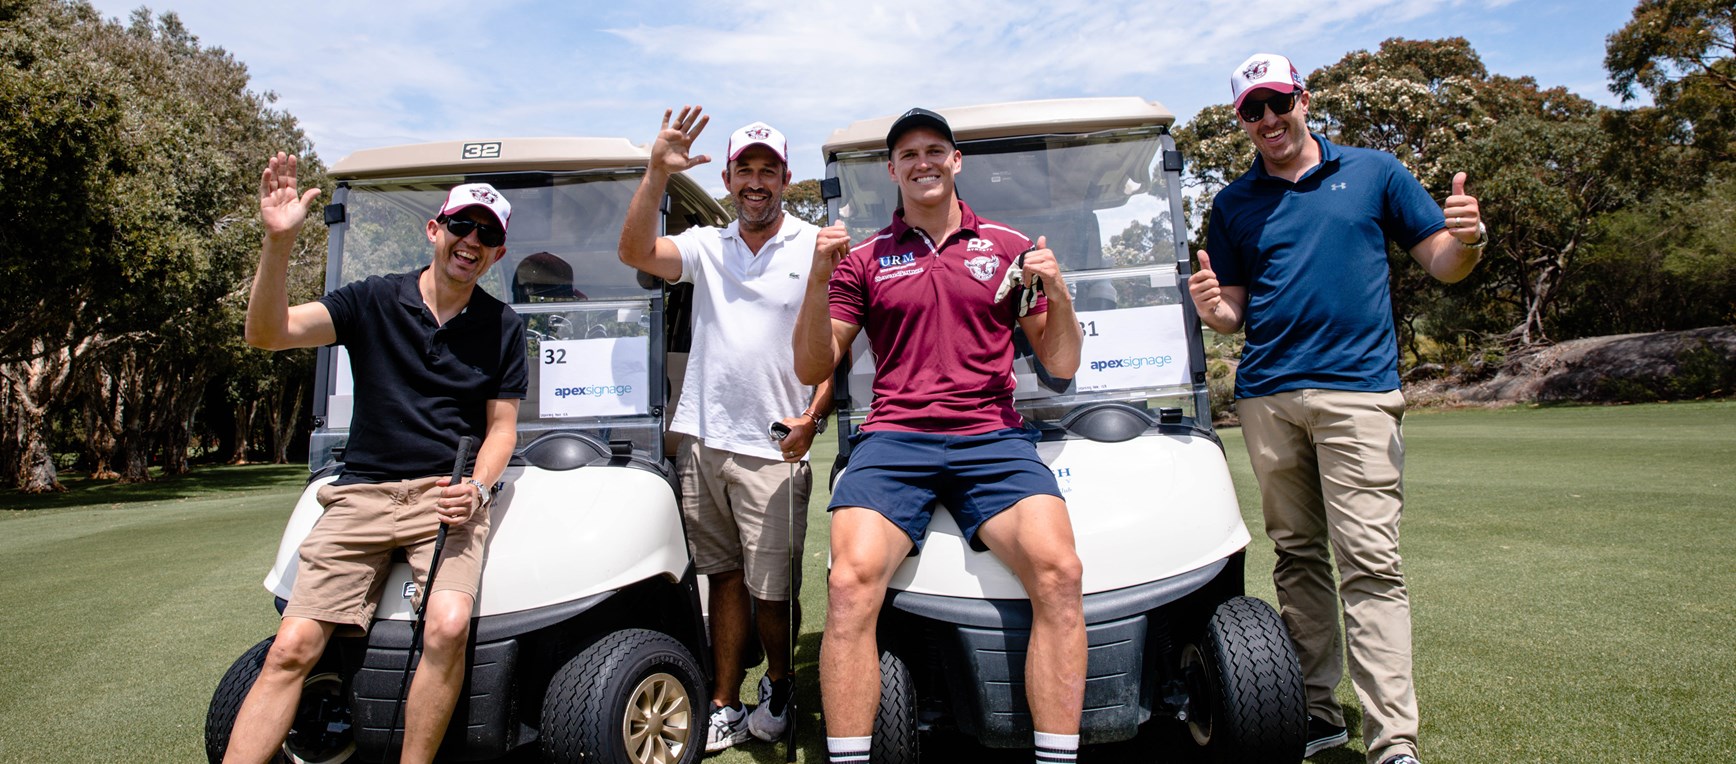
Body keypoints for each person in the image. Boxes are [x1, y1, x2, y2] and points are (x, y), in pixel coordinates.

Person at [1189, 53, 1487, 764]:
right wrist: (1212, 307)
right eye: (1252, 110)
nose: (1268, 119)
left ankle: (1393, 741)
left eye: (1277, 102)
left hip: (1357, 393)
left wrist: (1470, 239)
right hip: (1268, 397)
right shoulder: (1233, 203)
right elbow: (1233, 312)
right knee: (1296, 558)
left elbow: (1444, 262)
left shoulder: (1375, 171)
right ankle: (1317, 713)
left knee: (1370, 563)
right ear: (1242, 120)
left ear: (1303, 98)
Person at [793, 108, 1088, 764]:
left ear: (956, 160)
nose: (922, 161)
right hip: (895, 438)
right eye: (908, 154)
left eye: (934, 149)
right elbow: (813, 366)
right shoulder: (864, 259)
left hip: (992, 438)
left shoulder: (1009, 250)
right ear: (891, 170)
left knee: (1060, 571)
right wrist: (816, 283)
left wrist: (1059, 294)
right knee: (848, 583)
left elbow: (1061, 363)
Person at [224, 153, 525, 764]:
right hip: (360, 493)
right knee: (292, 646)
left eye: (487, 235)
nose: (471, 241)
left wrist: (477, 489)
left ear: (496, 255)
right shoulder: (371, 300)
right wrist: (278, 243)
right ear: (435, 230)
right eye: (462, 225)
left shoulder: (503, 326)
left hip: (445, 497)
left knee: (447, 624)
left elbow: (501, 430)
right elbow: (267, 333)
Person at [618, 106, 830, 752]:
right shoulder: (708, 244)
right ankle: (724, 700)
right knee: (724, 579)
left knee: (773, 592)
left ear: (786, 178)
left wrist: (812, 417)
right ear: (730, 180)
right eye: (745, 170)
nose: (756, 182)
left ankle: (780, 687)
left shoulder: (815, 244)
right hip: (705, 441)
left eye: (768, 170)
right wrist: (657, 171)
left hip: (775, 446)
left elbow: (836, 344)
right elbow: (634, 251)